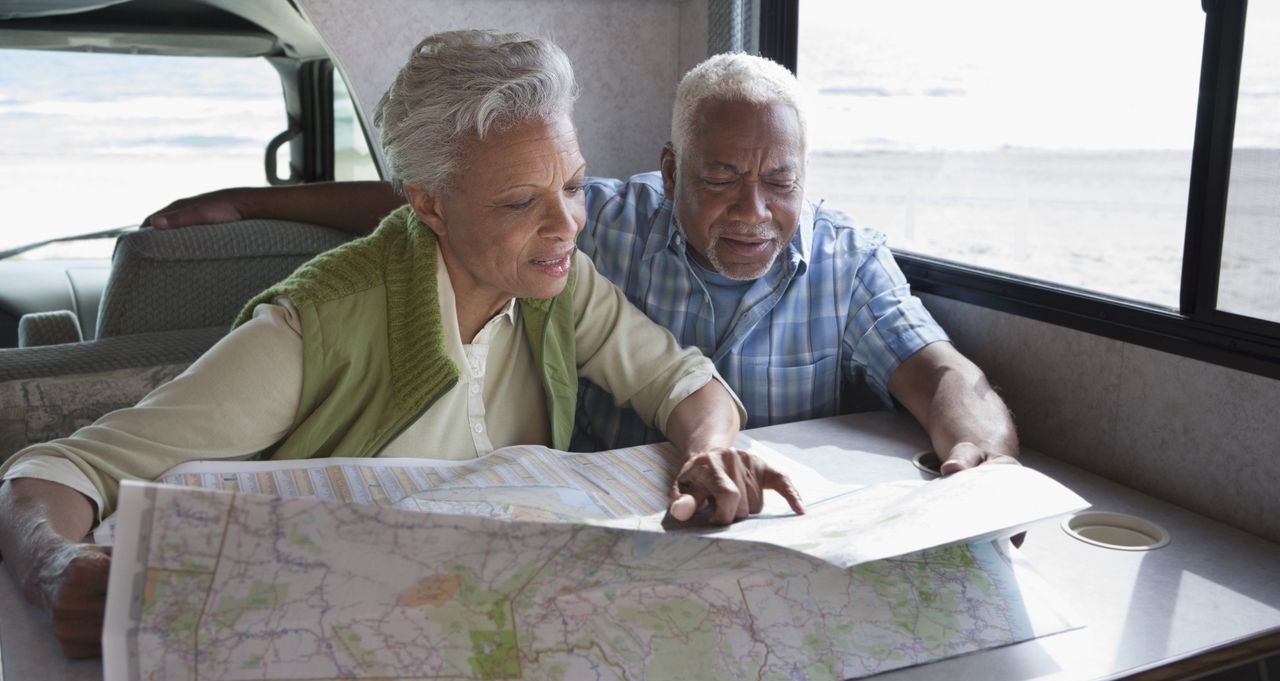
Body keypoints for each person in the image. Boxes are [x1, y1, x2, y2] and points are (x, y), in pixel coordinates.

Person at [0, 31, 803, 659]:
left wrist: (712, 450)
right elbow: (52, 471)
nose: (566, 226)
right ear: (429, 203)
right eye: (524, 200)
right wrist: (49, 566)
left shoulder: (560, 285)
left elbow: (683, 382)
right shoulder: (310, 331)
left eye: (572, 185)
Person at [147, 52, 1019, 475]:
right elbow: (444, 206)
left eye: (780, 183)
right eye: (721, 178)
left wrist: (985, 466)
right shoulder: (598, 223)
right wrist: (253, 201)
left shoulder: (845, 258)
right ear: (670, 171)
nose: (755, 211)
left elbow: (942, 372)